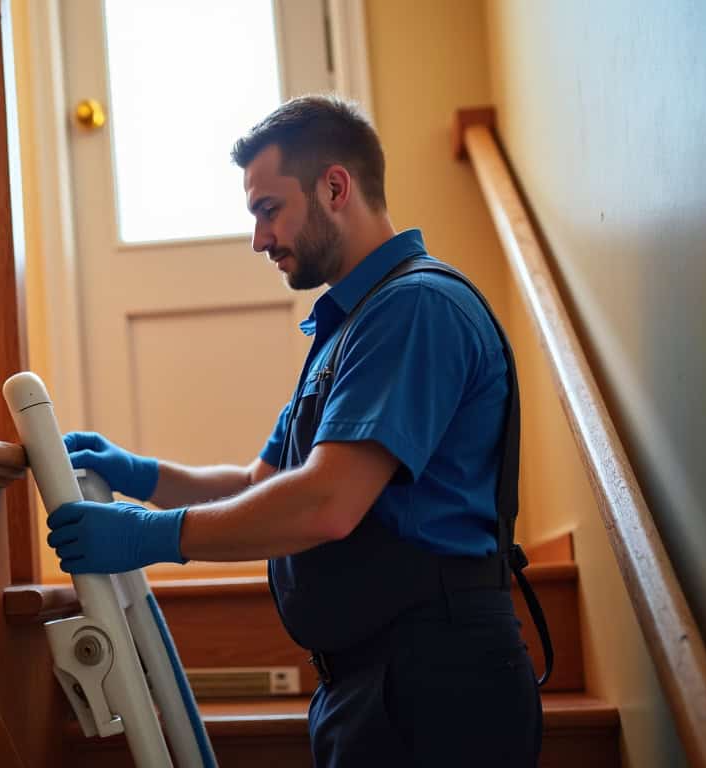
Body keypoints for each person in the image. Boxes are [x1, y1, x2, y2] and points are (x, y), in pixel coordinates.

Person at [46, 95, 545, 767]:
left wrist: (152, 537)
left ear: (335, 187)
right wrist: (143, 474)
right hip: (373, 680)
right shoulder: (353, 327)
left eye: (268, 208)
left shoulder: (414, 307)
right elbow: (263, 484)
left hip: (436, 678)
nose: (259, 238)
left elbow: (326, 503)